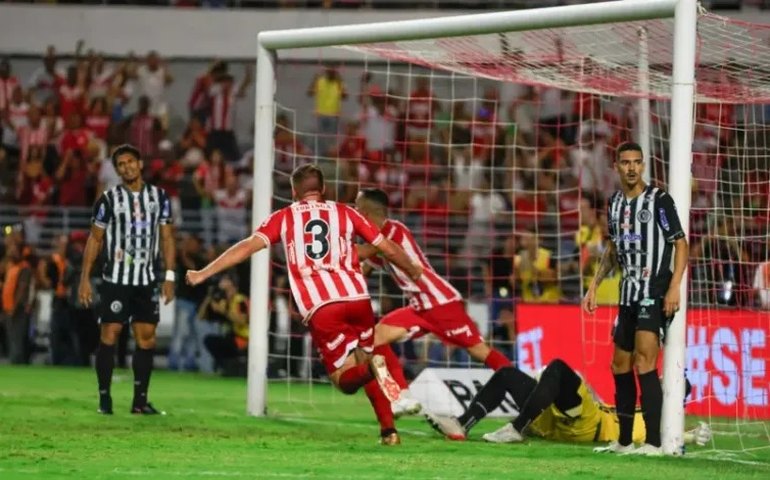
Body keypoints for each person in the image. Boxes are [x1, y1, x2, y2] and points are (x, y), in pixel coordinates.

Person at [185, 164, 423, 445]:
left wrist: (203, 273)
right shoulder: (346, 212)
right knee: (363, 359)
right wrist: (412, 268)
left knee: (342, 379)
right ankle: (389, 432)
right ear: (322, 189)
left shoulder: (284, 217)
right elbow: (385, 247)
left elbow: (247, 246)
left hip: (323, 307)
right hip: (358, 300)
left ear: (295, 192)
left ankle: (376, 371)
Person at [354, 188, 513, 414]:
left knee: (478, 350)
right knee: (375, 337)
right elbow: (365, 269)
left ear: (365, 211)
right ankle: (402, 396)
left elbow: (368, 253)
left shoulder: (394, 231)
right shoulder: (376, 238)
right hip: (419, 307)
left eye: (356, 206)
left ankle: (521, 385)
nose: (353, 211)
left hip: (440, 303)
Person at [581, 142, 688, 455]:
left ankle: (654, 443)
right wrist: (594, 286)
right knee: (619, 365)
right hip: (627, 295)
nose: (631, 168)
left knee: (644, 361)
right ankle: (624, 441)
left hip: (653, 292)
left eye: (637, 162)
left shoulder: (659, 201)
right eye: (625, 162)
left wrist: (674, 287)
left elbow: (680, 243)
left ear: (643, 166)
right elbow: (613, 249)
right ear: (616, 166)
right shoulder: (614, 203)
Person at [77, 144, 176, 415]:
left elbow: (167, 237)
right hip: (116, 278)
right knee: (110, 333)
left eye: (131, 161)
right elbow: (95, 239)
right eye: (121, 164)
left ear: (141, 164)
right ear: (117, 170)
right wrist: (84, 278)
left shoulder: (160, 197)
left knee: (147, 339)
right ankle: (105, 398)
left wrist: (169, 275)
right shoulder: (109, 199)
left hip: (146, 280)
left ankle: (139, 402)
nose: (127, 167)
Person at [424, 358, 712, 448]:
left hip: (589, 425)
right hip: (569, 420)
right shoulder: (639, 408)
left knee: (560, 369)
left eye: (662, 382)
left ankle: (516, 428)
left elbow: (666, 436)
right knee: (508, 375)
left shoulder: (657, 420)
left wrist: (689, 434)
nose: (655, 382)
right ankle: (462, 424)